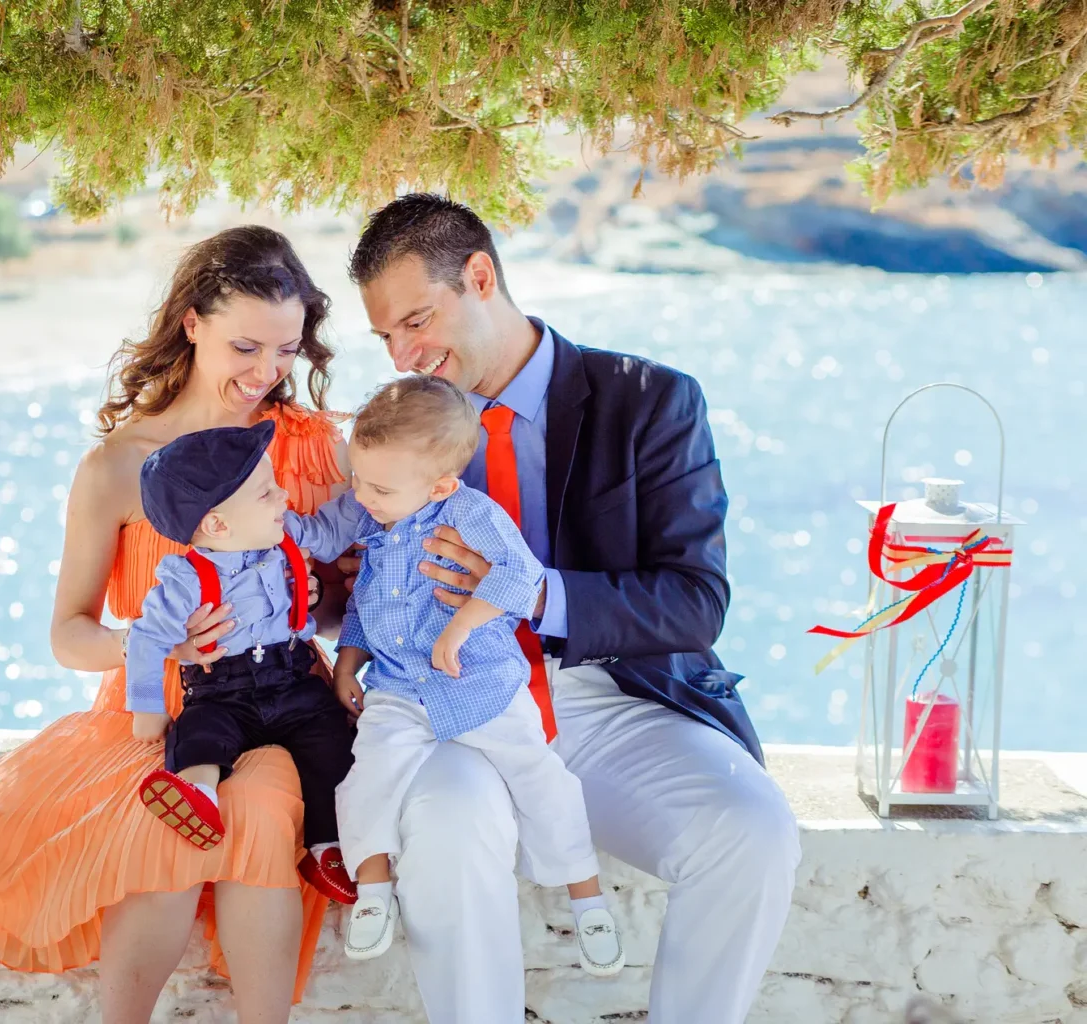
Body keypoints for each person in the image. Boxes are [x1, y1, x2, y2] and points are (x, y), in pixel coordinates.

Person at [343, 194, 802, 1023]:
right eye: (386, 337)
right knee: (447, 827)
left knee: (752, 830)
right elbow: (355, 580)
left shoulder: (651, 401)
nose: (405, 356)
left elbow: (695, 600)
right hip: (457, 698)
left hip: (612, 698)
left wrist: (532, 590)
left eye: (417, 320)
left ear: (480, 277)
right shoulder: (399, 426)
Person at [0, 226, 352, 1024]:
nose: (266, 372)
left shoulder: (309, 448)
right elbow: (68, 633)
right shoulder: (118, 466)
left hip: (282, 705)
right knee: (169, 825)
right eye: (245, 346)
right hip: (152, 713)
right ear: (192, 322)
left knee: (263, 810)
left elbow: (340, 605)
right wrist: (147, 644)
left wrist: (313, 600)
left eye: (285, 350)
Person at [313, 376, 625, 975]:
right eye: (358, 479)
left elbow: (518, 575)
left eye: (379, 488)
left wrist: (459, 628)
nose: (362, 495)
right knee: (366, 777)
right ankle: (374, 891)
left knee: (541, 778)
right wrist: (348, 660)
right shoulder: (378, 520)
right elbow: (368, 602)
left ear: (440, 485)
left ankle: (586, 897)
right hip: (400, 687)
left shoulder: (470, 513)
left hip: (481, 683)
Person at [126, 419, 357, 903]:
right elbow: (147, 637)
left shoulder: (287, 535)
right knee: (201, 731)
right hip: (221, 688)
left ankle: (325, 846)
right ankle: (197, 793)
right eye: (267, 493)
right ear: (217, 525)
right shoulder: (188, 579)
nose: (284, 497)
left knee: (332, 739)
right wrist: (147, 707)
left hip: (292, 676)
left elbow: (330, 531)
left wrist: (372, 494)